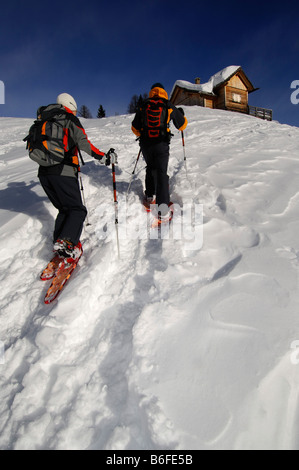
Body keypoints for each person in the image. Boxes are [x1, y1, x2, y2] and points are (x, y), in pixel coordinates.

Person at [36, 92, 114, 267]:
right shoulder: (69, 119)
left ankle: (60, 243)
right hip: (63, 171)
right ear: (71, 107)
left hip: (44, 174)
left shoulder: (44, 119)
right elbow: (84, 143)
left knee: (65, 209)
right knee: (78, 210)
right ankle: (66, 243)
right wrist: (104, 157)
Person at [131, 83, 187, 222]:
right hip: (161, 143)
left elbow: (134, 128)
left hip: (146, 144)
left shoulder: (144, 104)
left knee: (150, 167)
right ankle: (163, 210)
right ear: (163, 91)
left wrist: (144, 133)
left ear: (152, 92)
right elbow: (182, 125)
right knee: (161, 172)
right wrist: (181, 114)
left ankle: (150, 197)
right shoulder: (167, 104)